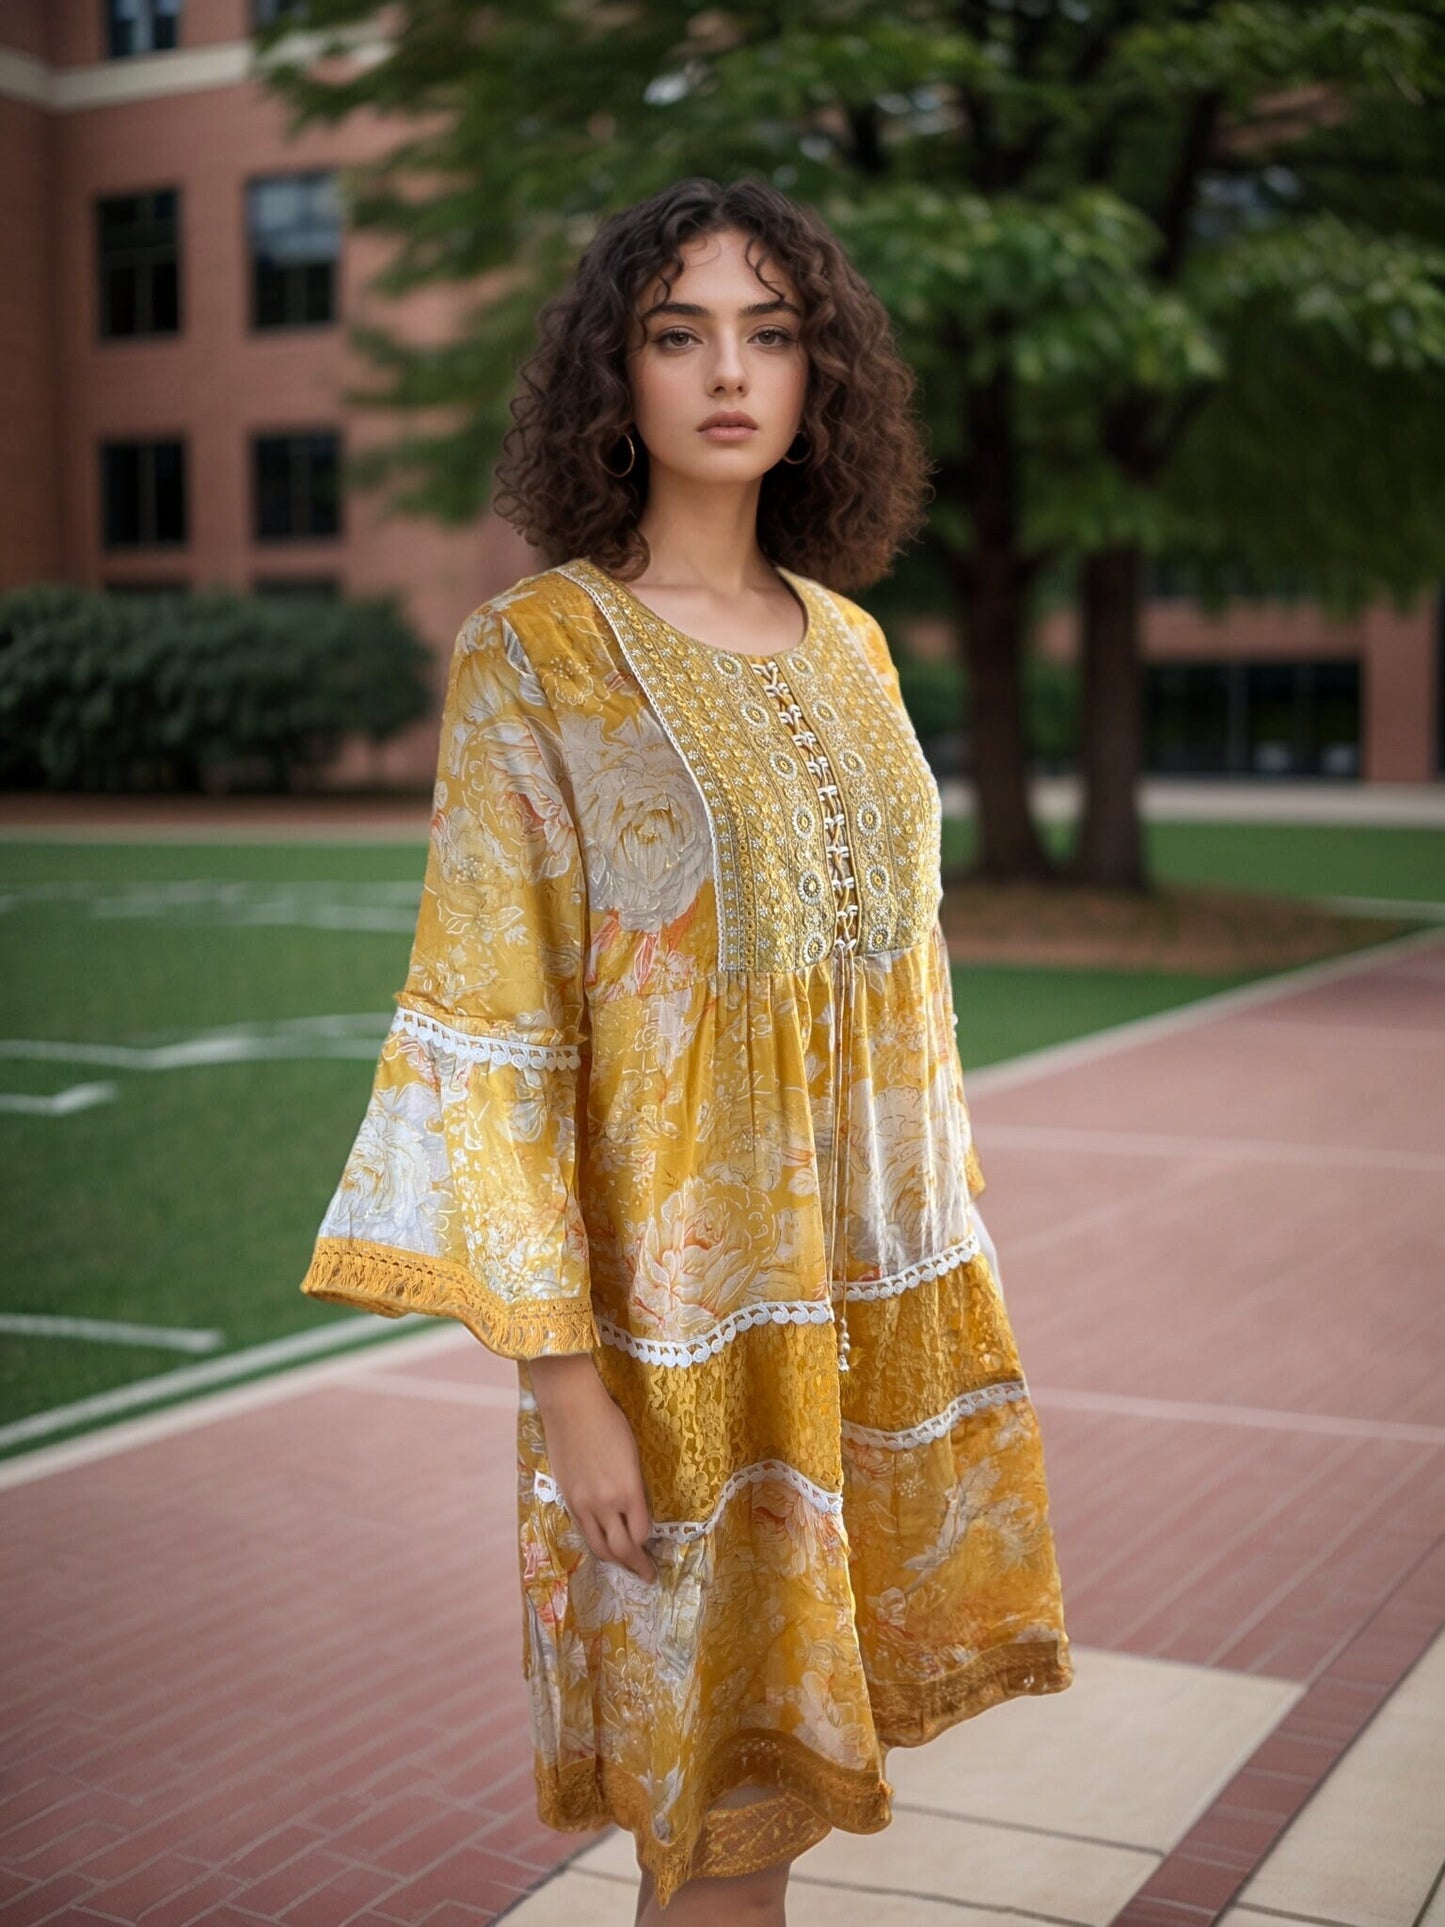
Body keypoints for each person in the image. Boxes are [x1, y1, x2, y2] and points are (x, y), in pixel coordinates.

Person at [299, 174, 1073, 1923]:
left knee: (773, 1821)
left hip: (860, 1315)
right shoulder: (537, 658)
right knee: (710, 1833)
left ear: (820, 382)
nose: (728, 370)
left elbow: (906, 1009)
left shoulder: (858, 649)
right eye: (677, 334)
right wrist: (567, 1393)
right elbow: (491, 1042)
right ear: (614, 378)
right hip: (670, 1358)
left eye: (770, 332)